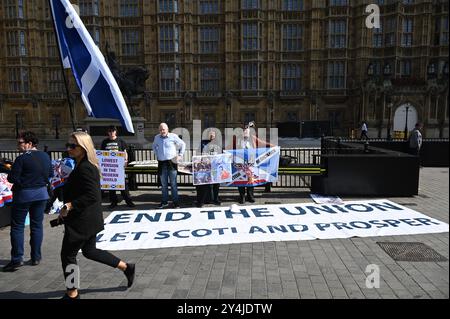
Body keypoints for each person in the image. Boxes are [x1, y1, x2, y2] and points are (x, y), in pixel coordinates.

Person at [58, 131, 135, 299]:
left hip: (82, 222)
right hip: (88, 219)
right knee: (89, 251)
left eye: (72, 146)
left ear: (84, 148)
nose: (68, 149)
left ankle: (72, 293)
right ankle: (127, 267)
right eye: (68, 145)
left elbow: (92, 195)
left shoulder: (86, 168)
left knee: (68, 255)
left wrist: (70, 205)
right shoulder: (80, 164)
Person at [3, 131, 52, 272]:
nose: (18, 146)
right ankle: (36, 257)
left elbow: (12, 178)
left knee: (18, 227)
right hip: (41, 194)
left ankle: (17, 259)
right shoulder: (45, 156)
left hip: (24, 195)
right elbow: (50, 174)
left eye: (20, 143)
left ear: (29, 144)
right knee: (37, 226)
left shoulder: (21, 158)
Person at [229, 122, 275, 204]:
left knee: (251, 178)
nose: (245, 132)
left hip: (251, 161)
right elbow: (229, 147)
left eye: (247, 130)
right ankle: (242, 196)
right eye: (244, 130)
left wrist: (273, 146)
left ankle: (250, 196)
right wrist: (224, 151)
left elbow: (262, 143)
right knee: (240, 178)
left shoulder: (253, 138)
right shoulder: (236, 138)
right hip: (240, 161)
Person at [152, 123, 186, 209]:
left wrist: (180, 155)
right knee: (164, 184)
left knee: (173, 184)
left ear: (167, 129)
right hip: (162, 163)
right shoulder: (157, 137)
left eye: (163, 129)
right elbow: (154, 146)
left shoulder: (173, 136)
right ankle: (164, 202)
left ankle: (175, 202)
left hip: (172, 162)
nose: (162, 131)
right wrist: (158, 154)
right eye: (160, 130)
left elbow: (183, 144)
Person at [100, 125, 135, 209]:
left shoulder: (121, 141)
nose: (111, 133)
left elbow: (125, 151)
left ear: (115, 132)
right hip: (110, 168)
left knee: (123, 185)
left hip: (119, 167)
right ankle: (113, 202)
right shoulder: (104, 142)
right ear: (108, 132)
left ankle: (128, 201)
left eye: (113, 131)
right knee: (111, 186)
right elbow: (102, 154)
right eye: (110, 131)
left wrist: (125, 160)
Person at [196, 130, 222, 207]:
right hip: (205, 167)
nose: (211, 135)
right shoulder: (203, 142)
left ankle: (215, 199)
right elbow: (198, 152)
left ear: (215, 135)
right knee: (207, 183)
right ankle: (207, 199)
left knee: (216, 184)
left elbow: (221, 153)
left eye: (213, 134)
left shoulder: (218, 143)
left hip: (215, 167)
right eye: (210, 134)